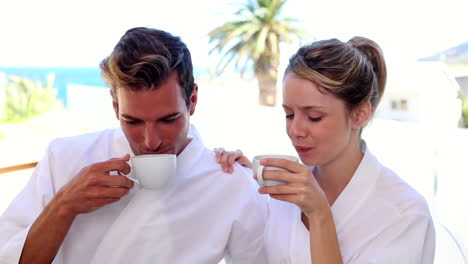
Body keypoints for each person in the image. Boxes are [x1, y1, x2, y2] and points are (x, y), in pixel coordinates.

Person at [0, 27, 268, 264]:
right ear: (115, 106)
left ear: (193, 100)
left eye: (168, 119)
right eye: (133, 121)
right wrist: (65, 206)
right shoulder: (64, 158)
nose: (151, 141)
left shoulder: (230, 183)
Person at [216, 37, 435, 263]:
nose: (295, 130)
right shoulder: (283, 194)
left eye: (314, 117)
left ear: (359, 114)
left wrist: (319, 214)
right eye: (289, 114)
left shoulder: (404, 215)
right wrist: (240, 181)